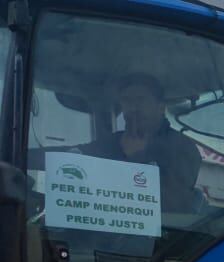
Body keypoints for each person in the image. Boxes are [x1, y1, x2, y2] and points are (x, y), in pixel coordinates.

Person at [81, 73, 201, 213]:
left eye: (141, 100)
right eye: (126, 100)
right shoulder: (111, 142)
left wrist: (136, 158)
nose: (133, 108)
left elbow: (174, 204)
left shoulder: (182, 148)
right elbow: (77, 155)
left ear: (161, 108)